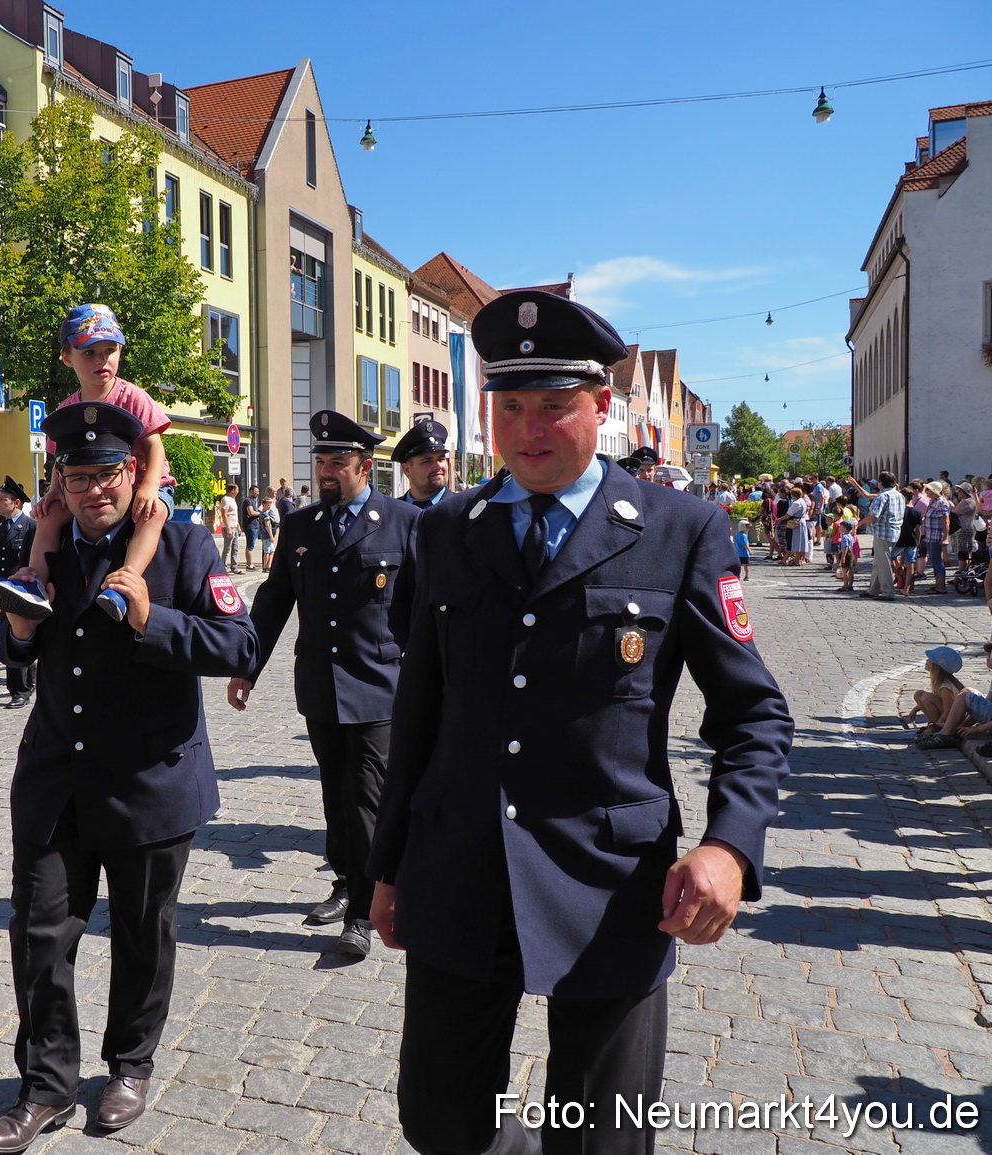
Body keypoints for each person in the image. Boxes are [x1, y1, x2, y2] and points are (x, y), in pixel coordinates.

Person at [369, 289, 792, 1155]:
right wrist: (388, 866)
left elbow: (754, 709)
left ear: (600, 404)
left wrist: (729, 845)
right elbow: (419, 708)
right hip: (461, 871)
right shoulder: (448, 527)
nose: (529, 428)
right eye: (510, 405)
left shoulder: (681, 530)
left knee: (600, 1141)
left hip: (612, 883)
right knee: (441, 1121)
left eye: (555, 404)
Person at [0, 401, 257, 1153]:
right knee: (39, 933)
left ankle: (130, 1063)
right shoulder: (44, 549)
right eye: (78, 475)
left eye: (108, 473)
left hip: (149, 781)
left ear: (132, 472)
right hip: (56, 779)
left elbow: (240, 643)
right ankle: (45, 1084)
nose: (94, 489)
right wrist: (21, 633)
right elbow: (20, 663)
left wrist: (150, 622)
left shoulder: (184, 545)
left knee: (143, 933)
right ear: (59, 480)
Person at [229, 410, 421, 958]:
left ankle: (362, 911)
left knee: (366, 796)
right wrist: (248, 666)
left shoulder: (404, 522)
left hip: (381, 685)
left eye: (338, 463)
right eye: (321, 462)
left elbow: (428, 608)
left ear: (365, 466)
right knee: (336, 794)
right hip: (320, 685)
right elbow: (272, 602)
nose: (326, 472)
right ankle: (345, 883)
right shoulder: (302, 526)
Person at [0, 305, 175, 624]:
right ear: (67, 357)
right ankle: (33, 584)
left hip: (144, 484)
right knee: (48, 517)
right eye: (89, 353)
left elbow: (154, 446)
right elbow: (60, 462)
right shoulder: (66, 408)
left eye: (109, 350)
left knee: (153, 512)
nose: (102, 361)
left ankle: (124, 583)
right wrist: (53, 493)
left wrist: (149, 486)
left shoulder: (134, 397)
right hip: (88, 488)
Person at [0, 476, 38, 710]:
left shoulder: (31, 527)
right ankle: (27, 680)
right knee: (6, 638)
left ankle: (20, 690)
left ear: (16, 502)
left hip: (19, 590)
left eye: (3, 500)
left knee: (15, 633)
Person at [919, 644, 992, 750]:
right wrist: (963, 727)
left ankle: (946, 732)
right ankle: (952, 730)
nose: (988, 655)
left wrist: (978, 729)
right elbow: (984, 706)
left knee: (966, 693)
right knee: (970, 691)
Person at [858, 471, 904, 599]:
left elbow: (873, 515)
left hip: (882, 532)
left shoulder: (882, 496)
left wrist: (862, 522)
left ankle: (888, 591)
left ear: (881, 483)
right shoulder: (899, 495)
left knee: (883, 563)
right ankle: (873, 589)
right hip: (894, 531)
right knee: (878, 562)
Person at [394, 418, 452, 509]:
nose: (438, 466)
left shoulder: (463, 510)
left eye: (441, 459)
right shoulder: (391, 512)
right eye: (427, 461)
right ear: (407, 470)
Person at [907, 646, 966, 734]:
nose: (927, 661)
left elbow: (947, 713)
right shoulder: (940, 683)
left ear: (937, 666)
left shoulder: (945, 687)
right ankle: (934, 723)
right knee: (919, 694)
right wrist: (916, 709)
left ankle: (936, 727)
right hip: (949, 716)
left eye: (929, 659)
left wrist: (936, 727)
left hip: (953, 719)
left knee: (927, 697)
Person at [241, 485, 263, 570]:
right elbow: (251, 513)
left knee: (251, 545)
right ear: (251, 491)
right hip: (250, 526)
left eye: (258, 492)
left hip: (254, 526)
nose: (257, 493)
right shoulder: (248, 501)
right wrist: (260, 513)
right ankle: (249, 565)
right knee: (250, 546)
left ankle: (249, 564)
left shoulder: (252, 501)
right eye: (256, 491)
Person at [834, 519, 858, 591]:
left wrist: (843, 557)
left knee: (845, 572)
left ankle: (845, 586)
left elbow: (845, 547)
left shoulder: (844, 536)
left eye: (840, 527)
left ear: (844, 528)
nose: (839, 528)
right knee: (850, 571)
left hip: (846, 553)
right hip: (851, 553)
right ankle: (850, 585)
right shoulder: (850, 535)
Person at [258, 494, 279, 571]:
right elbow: (267, 525)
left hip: (264, 535)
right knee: (267, 551)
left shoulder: (261, 514)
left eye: (269, 505)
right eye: (267, 505)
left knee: (271, 551)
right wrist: (271, 536)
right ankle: (266, 566)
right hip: (267, 535)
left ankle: (268, 565)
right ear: (263, 505)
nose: (269, 507)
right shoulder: (265, 514)